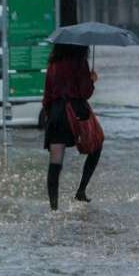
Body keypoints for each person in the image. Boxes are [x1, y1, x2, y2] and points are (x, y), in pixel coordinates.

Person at [42, 44, 101, 211]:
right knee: (96, 144)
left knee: (55, 162)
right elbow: (85, 92)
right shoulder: (79, 62)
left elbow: (46, 96)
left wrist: (51, 115)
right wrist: (92, 80)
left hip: (56, 115)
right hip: (76, 113)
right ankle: (81, 190)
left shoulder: (52, 64)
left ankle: (53, 208)